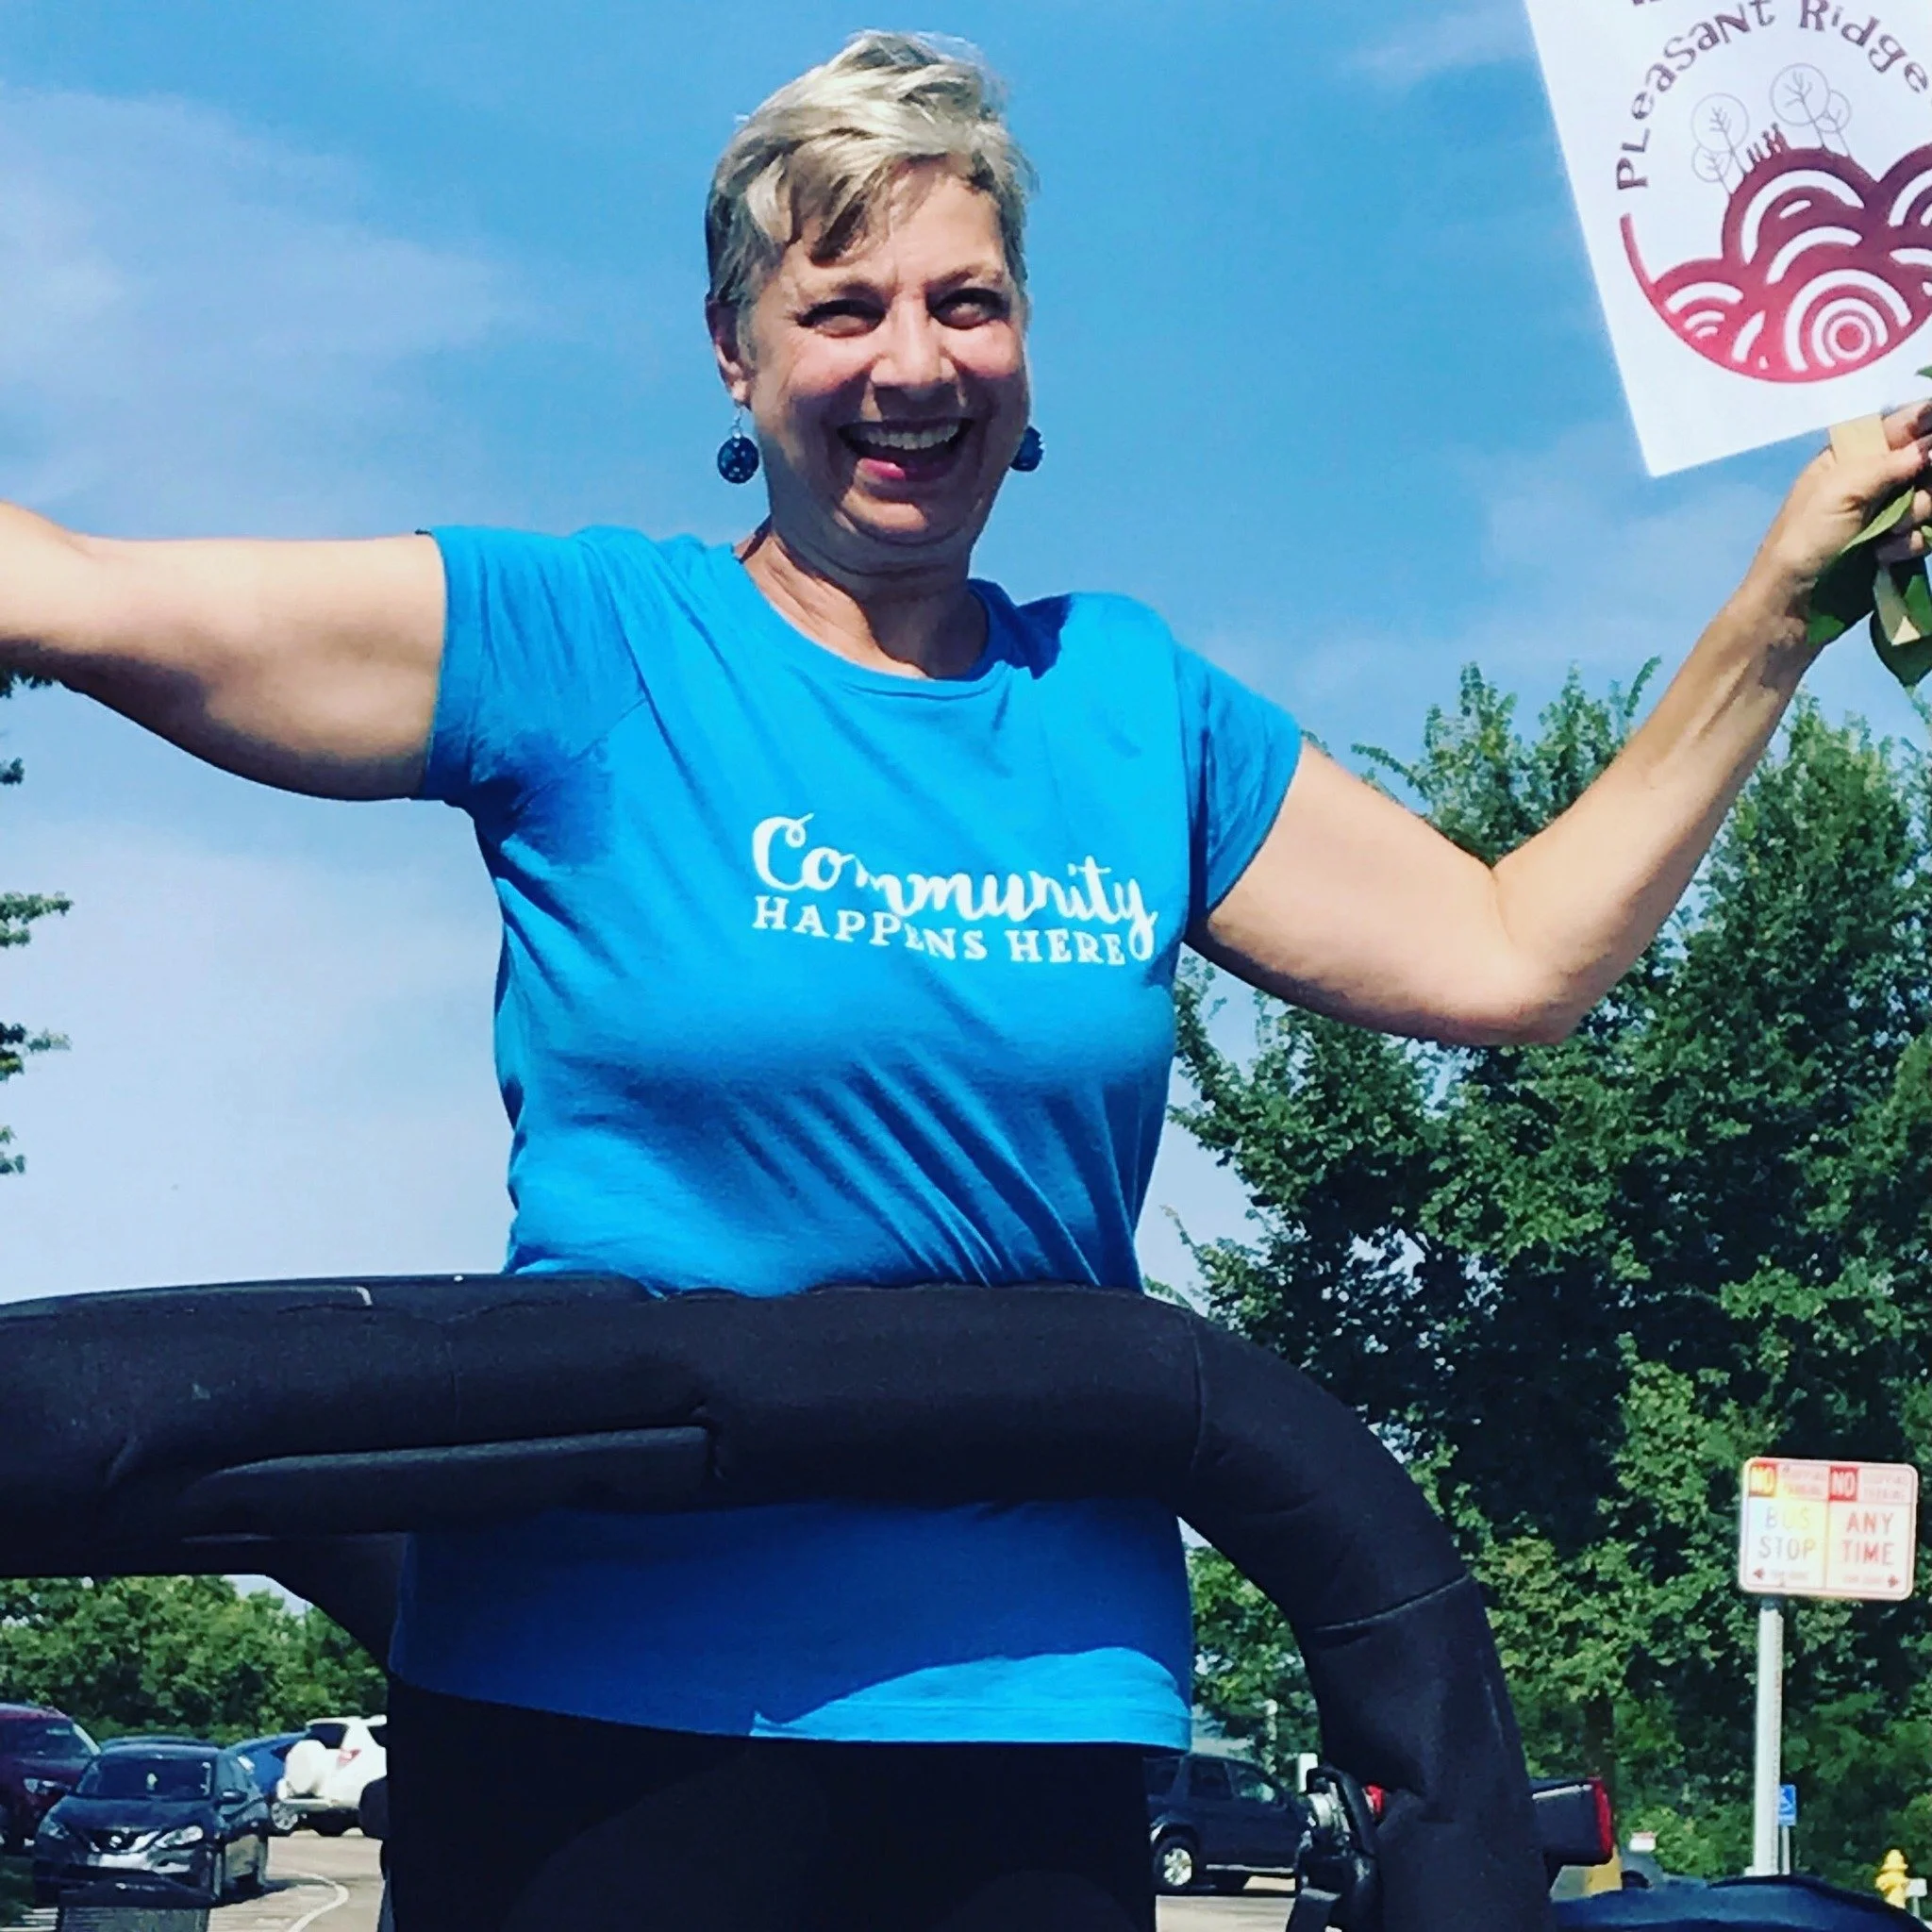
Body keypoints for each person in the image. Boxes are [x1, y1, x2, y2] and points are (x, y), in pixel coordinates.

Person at [4, 28, 1927, 1932]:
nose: (912, 364)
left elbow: (1514, 952)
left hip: (1029, 1719)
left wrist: (1780, 603)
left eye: (966, 302)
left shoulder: (1127, 705)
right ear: (735, 351)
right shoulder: (585, 641)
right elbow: (77, 594)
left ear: (1025, 349)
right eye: (841, 307)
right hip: (593, 1707)